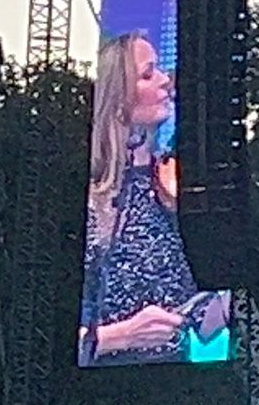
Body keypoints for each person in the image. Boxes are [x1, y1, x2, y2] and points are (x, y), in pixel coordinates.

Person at [79, 31, 227, 365]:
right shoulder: (89, 193)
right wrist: (118, 336)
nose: (165, 81)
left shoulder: (174, 181)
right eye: (148, 74)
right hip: (95, 390)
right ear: (118, 98)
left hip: (171, 386)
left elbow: (202, 319)